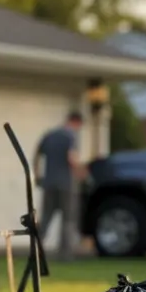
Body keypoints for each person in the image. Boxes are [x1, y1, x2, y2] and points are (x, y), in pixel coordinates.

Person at [33, 111, 88, 261]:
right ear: (76, 122)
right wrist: (82, 173)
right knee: (68, 219)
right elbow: (72, 157)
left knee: (46, 218)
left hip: (49, 183)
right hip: (67, 184)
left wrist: (37, 175)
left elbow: (37, 155)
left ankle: (35, 248)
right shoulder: (70, 136)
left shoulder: (49, 135)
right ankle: (65, 254)